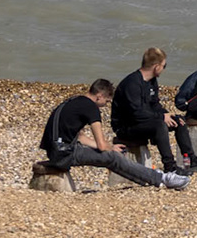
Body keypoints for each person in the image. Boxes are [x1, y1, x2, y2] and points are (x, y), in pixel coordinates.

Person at [40, 78, 186, 190]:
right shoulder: (91, 108)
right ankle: (162, 178)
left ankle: (149, 178)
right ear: (99, 96)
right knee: (113, 157)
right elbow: (102, 146)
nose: (106, 105)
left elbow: (80, 136)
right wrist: (110, 148)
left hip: (54, 150)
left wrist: (106, 146)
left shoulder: (74, 101)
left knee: (111, 155)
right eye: (107, 101)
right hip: (64, 154)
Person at [111, 47, 186, 176]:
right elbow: (136, 113)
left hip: (143, 120)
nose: (164, 69)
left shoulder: (152, 81)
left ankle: (190, 159)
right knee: (159, 125)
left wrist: (167, 114)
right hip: (126, 126)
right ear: (156, 67)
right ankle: (170, 166)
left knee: (178, 120)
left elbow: (154, 104)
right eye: (164, 65)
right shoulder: (132, 83)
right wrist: (161, 117)